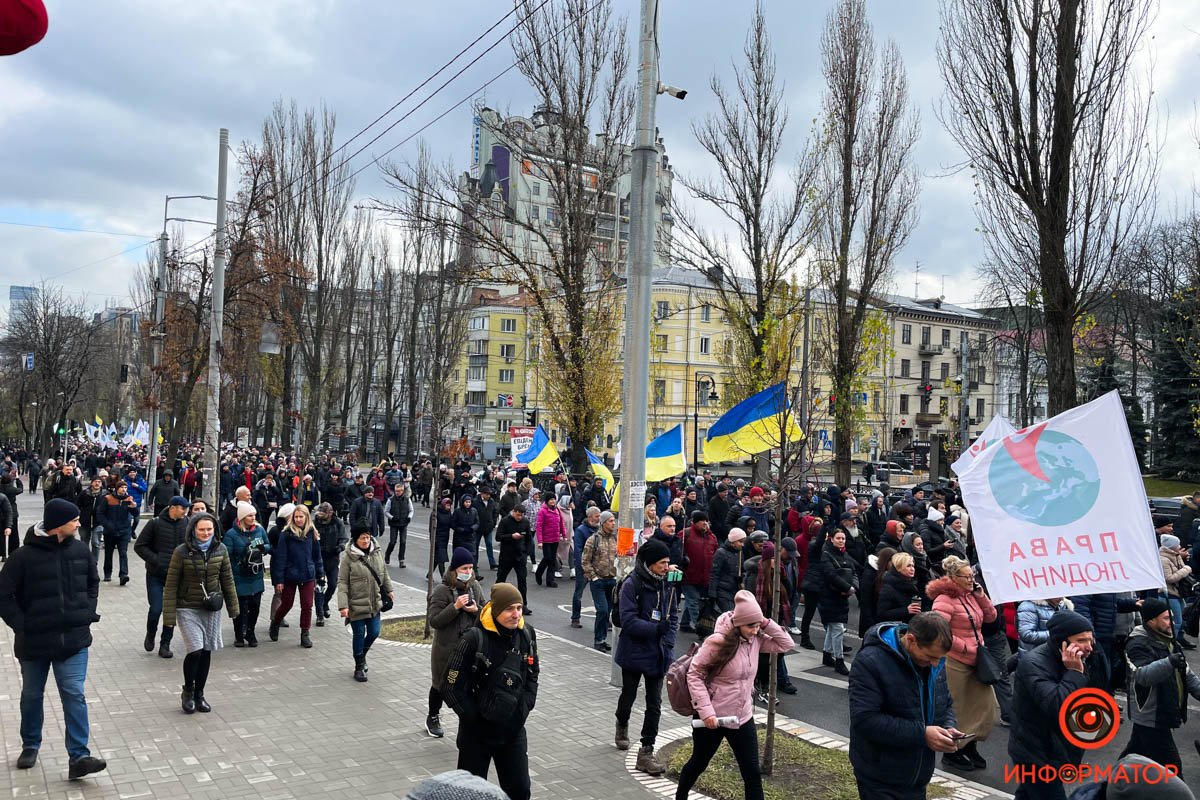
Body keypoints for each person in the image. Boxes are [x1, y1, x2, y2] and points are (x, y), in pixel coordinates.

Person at [0, 499, 107, 780]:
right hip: (34, 643)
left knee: (74, 694)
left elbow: (92, 582)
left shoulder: (81, 550)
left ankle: (79, 756)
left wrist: (87, 611)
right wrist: (22, 625)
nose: (79, 523)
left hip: (73, 640)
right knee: (32, 696)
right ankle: (30, 744)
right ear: (59, 524)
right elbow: (4, 596)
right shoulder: (22, 557)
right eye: (74, 519)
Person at [674, 590, 795, 800]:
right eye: (750, 625)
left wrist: (764, 622)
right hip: (713, 718)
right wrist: (706, 712)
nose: (754, 630)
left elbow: (786, 644)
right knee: (699, 763)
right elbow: (694, 675)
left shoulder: (756, 638)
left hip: (742, 717)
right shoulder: (717, 642)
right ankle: (681, 796)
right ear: (738, 624)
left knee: (751, 774)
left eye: (757, 625)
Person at [849, 611, 961, 799]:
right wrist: (922, 734)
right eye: (930, 657)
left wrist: (948, 727)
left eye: (940, 658)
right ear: (910, 640)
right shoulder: (870, 661)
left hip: (918, 775)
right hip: (879, 776)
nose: (935, 664)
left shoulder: (934, 661)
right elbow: (865, 720)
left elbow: (944, 702)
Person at [443, 582, 538, 800]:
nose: (516, 614)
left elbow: (532, 676)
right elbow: (449, 685)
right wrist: (473, 719)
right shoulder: (472, 639)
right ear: (496, 611)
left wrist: (522, 710)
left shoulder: (527, 635)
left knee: (520, 791)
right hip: (476, 735)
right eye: (509, 609)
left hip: (512, 731)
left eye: (519, 608)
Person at [1008, 610, 1095, 799]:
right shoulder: (1034, 664)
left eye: (1090, 639)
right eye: (1081, 640)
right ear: (1061, 641)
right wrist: (1074, 674)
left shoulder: (1074, 659)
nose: (1089, 647)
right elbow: (1059, 707)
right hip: (1035, 754)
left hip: (1054, 749)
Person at [161, 512, 238, 715]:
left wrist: (234, 609)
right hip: (187, 607)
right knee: (194, 649)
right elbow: (170, 586)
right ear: (193, 530)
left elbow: (227, 580)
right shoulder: (182, 552)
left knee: (206, 651)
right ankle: (188, 691)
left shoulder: (221, 550)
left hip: (210, 608)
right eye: (201, 529)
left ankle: (199, 694)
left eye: (209, 530)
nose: (205, 533)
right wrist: (168, 618)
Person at [614, 537, 678, 775]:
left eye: (667, 562)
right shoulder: (632, 584)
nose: (666, 566)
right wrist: (654, 630)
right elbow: (628, 621)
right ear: (649, 563)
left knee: (655, 703)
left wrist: (668, 641)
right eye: (661, 563)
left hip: (658, 652)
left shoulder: (667, 583)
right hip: (634, 649)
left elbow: (672, 616)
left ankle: (646, 751)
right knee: (628, 695)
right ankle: (622, 723)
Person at [928, 555, 996, 771]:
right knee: (959, 709)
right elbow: (940, 629)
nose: (971, 579)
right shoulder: (943, 600)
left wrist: (981, 596)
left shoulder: (971, 595)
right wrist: (965, 647)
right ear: (953, 577)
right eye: (966, 576)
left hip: (977, 660)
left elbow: (991, 617)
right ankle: (954, 751)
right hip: (956, 661)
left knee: (985, 706)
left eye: (972, 575)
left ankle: (970, 745)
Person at [1120, 598, 1200, 776]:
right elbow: (1142, 676)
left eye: (1170, 617)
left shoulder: (1170, 642)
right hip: (1151, 714)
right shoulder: (1137, 644)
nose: (1171, 622)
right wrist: (1169, 662)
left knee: (1131, 759)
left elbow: (1187, 674)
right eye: (1165, 618)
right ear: (1151, 621)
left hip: (1165, 710)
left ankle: (1108, 789)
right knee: (1172, 769)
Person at [425, 547, 485, 736]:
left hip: (469, 649)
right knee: (441, 685)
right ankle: (433, 716)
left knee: (467, 687)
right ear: (455, 569)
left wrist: (476, 610)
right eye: (464, 568)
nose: (468, 572)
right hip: (446, 649)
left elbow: (485, 611)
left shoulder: (475, 587)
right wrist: (456, 607)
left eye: (470, 568)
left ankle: (468, 723)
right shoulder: (442, 591)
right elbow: (434, 620)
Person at [133, 495, 190, 658]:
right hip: (156, 574)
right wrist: (156, 560)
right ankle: (151, 633)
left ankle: (165, 644)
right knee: (156, 608)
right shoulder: (155, 523)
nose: (185, 511)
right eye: (183, 508)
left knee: (170, 611)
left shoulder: (186, 523)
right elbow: (140, 546)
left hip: (176, 576)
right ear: (173, 508)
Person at [338, 527, 395, 683]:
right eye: (362, 538)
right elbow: (342, 582)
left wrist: (389, 589)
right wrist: (343, 606)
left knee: (374, 632)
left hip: (374, 602)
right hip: (355, 605)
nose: (365, 541)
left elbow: (384, 572)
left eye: (367, 537)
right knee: (358, 634)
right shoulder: (349, 558)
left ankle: (361, 657)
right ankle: (359, 666)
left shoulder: (376, 552)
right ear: (356, 539)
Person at [268, 504, 324, 648]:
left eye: (301, 517)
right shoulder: (286, 534)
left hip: (307, 574)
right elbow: (280, 557)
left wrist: (320, 574)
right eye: (296, 517)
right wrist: (279, 579)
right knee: (287, 603)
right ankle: (275, 622)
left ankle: (305, 633)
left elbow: (317, 556)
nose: (299, 519)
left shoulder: (312, 533)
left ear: (306, 517)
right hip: (290, 574)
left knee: (307, 605)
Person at [222, 502, 269, 647]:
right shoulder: (231, 534)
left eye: (254, 514)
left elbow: (267, 546)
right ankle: (239, 635)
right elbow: (227, 555)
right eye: (250, 515)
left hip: (255, 575)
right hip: (239, 576)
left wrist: (259, 548)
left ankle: (251, 631)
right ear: (242, 517)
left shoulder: (259, 530)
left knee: (255, 606)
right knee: (240, 608)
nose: (253, 517)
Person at [814, 527, 858, 675]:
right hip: (830, 596)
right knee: (837, 628)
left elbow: (853, 571)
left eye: (843, 538)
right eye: (838, 538)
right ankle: (839, 660)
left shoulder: (844, 554)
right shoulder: (826, 554)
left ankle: (827, 655)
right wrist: (847, 587)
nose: (841, 541)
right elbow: (830, 575)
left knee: (833, 627)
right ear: (831, 539)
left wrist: (853, 587)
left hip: (841, 596)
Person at [581, 510, 619, 650]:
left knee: (607, 611)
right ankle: (598, 640)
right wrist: (594, 577)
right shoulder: (593, 539)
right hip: (599, 582)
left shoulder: (615, 538)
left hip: (612, 580)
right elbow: (585, 561)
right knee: (602, 610)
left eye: (614, 521)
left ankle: (602, 639)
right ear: (603, 523)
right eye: (610, 521)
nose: (613, 523)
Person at [681, 511, 718, 634]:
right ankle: (701, 628)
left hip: (704, 577)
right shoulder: (685, 534)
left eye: (706, 521)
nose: (705, 523)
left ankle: (685, 624)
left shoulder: (712, 537)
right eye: (702, 521)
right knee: (694, 602)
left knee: (692, 601)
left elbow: (715, 554)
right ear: (695, 522)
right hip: (688, 576)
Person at [98, 480, 139, 584]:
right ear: (117, 488)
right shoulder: (108, 498)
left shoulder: (129, 499)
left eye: (125, 488)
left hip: (124, 531)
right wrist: (107, 525)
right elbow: (100, 513)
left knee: (123, 553)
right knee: (108, 553)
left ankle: (123, 575)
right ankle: (107, 573)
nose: (124, 489)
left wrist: (134, 508)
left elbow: (135, 514)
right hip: (110, 531)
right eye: (122, 487)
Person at [314, 502, 347, 625]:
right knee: (319, 586)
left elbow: (344, 538)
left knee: (333, 584)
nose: (320, 516)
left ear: (330, 513)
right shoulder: (315, 523)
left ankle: (325, 603)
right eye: (319, 514)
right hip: (319, 559)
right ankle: (320, 615)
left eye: (323, 514)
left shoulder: (337, 522)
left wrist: (340, 547)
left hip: (333, 559)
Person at [495, 505, 532, 614]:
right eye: (518, 515)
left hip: (520, 556)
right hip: (506, 555)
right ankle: (496, 601)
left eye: (521, 515)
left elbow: (529, 538)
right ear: (514, 512)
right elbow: (498, 537)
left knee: (522, 581)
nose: (519, 517)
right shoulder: (505, 521)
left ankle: (523, 604)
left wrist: (526, 552)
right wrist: (511, 536)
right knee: (501, 579)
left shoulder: (525, 522)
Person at [1159, 534, 1194, 646]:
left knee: (1183, 618)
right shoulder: (1163, 559)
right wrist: (1186, 569)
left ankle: (1177, 640)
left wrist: (1184, 570)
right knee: (1176, 621)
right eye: (1177, 544)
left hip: (1178, 593)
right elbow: (1169, 578)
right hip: (1168, 594)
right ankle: (1169, 644)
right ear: (1171, 546)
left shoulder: (1176, 555)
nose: (1179, 546)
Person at [571, 506, 602, 629]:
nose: (599, 518)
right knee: (579, 592)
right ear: (590, 517)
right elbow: (578, 550)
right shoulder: (581, 530)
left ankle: (604, 619)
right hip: (584, 567)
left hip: (598, 567)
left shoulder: (600, 529)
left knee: (600, 594)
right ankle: (575, 618)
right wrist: (583, 566)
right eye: (597, 516)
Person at [875, 552, 923, 624]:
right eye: (908, 566)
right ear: (899, 568)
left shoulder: (910, 584)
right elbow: (881, 614)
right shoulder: (888, 588)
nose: (912, 569)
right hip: (896, 629)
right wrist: (906, 611)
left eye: (913, 566)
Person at [534, 493, 565, 587]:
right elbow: (539, 526)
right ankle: (538, 573)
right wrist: (540, 541)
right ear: (547, 501)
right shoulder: (542, 511)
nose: (553, 501)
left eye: (554, 499)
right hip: (546, 539)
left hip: (555, 538)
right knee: (547, 558)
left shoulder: (557, 510)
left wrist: (564, 535)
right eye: (551, 499)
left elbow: (561, 523)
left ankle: (550, 580)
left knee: (552, 560)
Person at [383, 482, 413, 567]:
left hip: (404, 524)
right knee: (393, 542)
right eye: (396, 491)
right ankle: (387, 554)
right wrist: (391, 517)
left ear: (403, 491)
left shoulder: (407, 499)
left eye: (399, 491)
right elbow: (386, 512)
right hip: (394, 524)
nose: (397, 493)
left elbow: (411, 510)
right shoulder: (391, 500)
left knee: (403, 542)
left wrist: (409, 517)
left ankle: (401, 560)